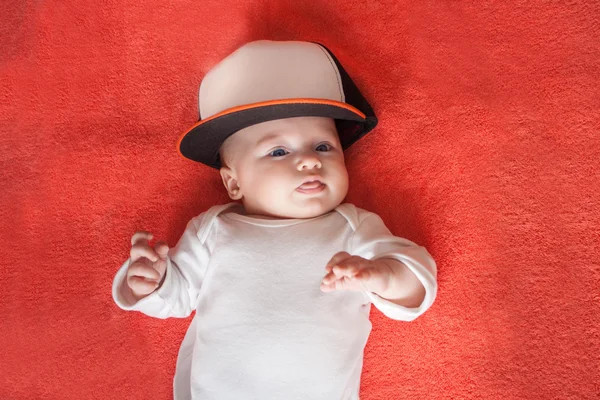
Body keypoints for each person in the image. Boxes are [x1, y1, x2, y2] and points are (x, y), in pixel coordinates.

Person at [112, 40, 438, 400]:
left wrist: (384, 276)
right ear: (233, 182)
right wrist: (151, 282)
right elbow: (177, 298)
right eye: (279, 151)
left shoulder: (351, 228)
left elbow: (417, 285)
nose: (310, 161)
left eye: (324, 146)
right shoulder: (214, 230)